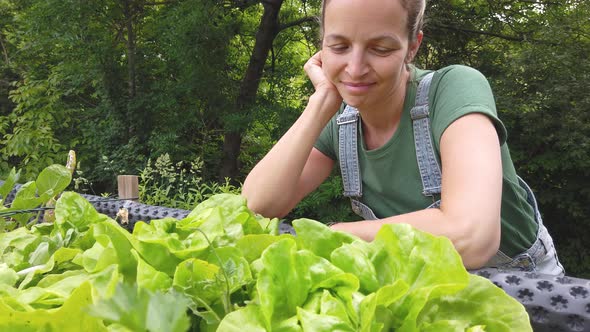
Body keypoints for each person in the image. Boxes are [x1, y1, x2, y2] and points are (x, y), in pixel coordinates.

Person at [242, 0, 564, 275]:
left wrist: (336, 236)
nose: (354, 69)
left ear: (413, 46)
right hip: (425, 285)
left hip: (521, 286)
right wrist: (321, 103)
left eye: (380, 49)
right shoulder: (341, 120)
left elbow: (473, 235)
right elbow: (257, 204)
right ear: (321, 47)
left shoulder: (453, 91)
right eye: (339, 47)